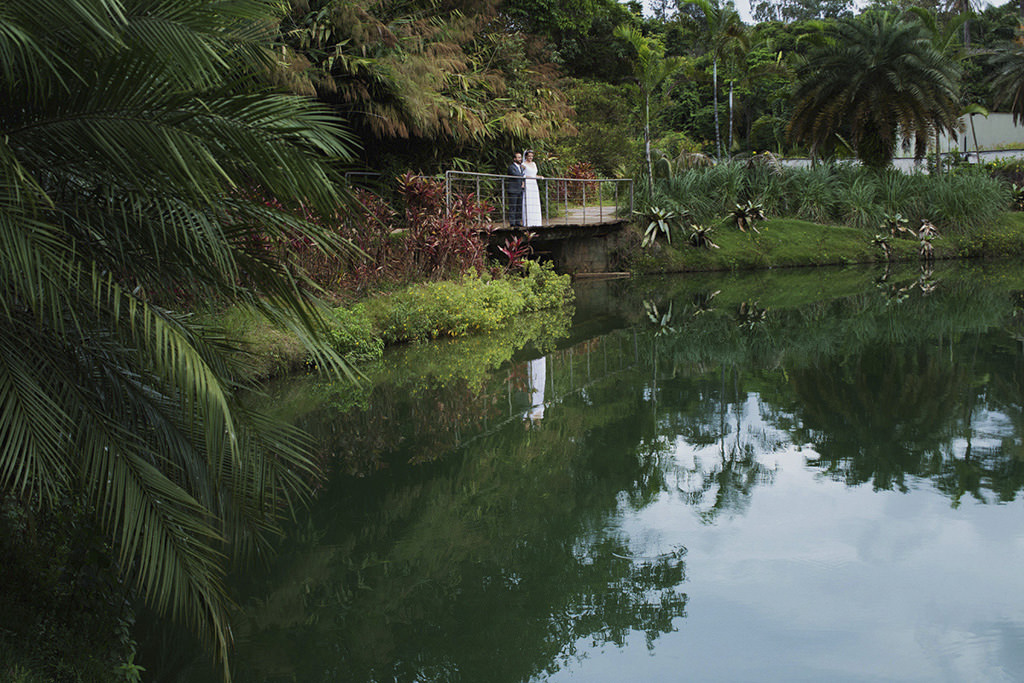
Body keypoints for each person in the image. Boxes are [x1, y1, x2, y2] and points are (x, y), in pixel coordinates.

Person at [522, 149, 543, 227]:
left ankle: (536, 221)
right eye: (529, 156)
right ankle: (528, 221)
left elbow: (534, 174)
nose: (530, 158)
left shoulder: (534, 164)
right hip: (528, 182)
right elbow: (522, 174)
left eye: (532, 156)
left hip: (534, 183)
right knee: (528, 200)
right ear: (526, 156)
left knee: (535, 201)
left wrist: (539, 177)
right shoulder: (523, 164)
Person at [505, 151, 525, 226]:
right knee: (513, 206)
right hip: (513, 190)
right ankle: (512, 223)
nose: (520, 159)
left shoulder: (521, 168)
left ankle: (518, 222)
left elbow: (521, 176)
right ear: (514, 159)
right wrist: (523, 175)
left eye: (520, 157)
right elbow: (515, 175)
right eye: (518, 157)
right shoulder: (511, 167)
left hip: (520, 189)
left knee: (519, 206)